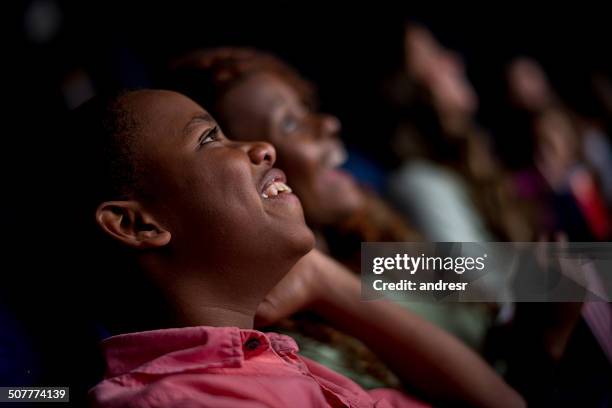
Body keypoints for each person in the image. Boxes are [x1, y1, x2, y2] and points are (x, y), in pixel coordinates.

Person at [73, 89, 524, 407]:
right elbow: (520, 292)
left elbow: (517, 292)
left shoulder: (369, 252)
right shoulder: (372, 259)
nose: (328, 123)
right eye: (290, 122)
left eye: (309, 105)